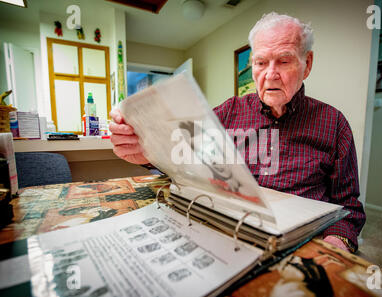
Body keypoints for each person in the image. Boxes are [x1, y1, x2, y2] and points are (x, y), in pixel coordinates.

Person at [109, 12, 365, 253]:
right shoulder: (228, 113)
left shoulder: (334, 124)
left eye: (284, 61)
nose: (270, 74)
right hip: (228, 237)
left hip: (301, 246)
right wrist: (146, 151)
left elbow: (349, 209)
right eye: (261, 62)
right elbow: (183, 161)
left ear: (306, 64)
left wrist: (334, 247)